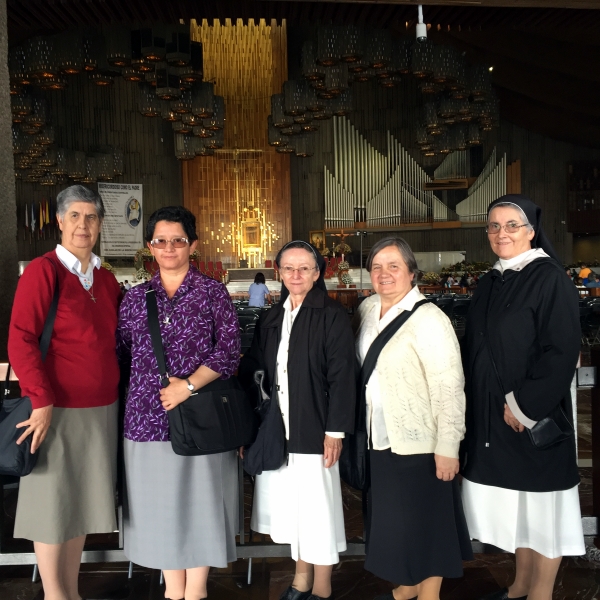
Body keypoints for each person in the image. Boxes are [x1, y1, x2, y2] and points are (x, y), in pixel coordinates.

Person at [461, 195, 584, 600]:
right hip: (493, 416)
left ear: (531, 231)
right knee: (521, 509)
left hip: (530, 416)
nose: (502, 233)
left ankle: (540, 594)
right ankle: (518, 587)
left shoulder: (549, 277)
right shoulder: (491, 279)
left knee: (543, 513)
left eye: (512, 225)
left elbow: (562, 350)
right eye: (494, 226)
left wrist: (524, 405)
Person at [117, 206, 240, 600]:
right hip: (146, 420)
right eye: (160, 240)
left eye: (178, 240)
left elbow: (229, 352)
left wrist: (187, 386)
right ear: (149, 247)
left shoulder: (211, 292)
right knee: (161, 510)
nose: (169, 247)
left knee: (202, 505)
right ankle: (174, 591)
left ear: (193, 245)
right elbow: (123, 352)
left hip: (200, 416)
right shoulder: (135, 298)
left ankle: (197, 590)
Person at [8, 184, 121, 600]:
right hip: (55, 410)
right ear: (58, 221)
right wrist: (40, 399)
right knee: (51, 508)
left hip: (101, 409)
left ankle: (70, 592)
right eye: (74, 215)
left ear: (99, 224)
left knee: (78, 509)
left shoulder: (106, 279)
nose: (83, 224)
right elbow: (20, 339)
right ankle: (55, 595)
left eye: (91, 216)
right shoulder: (43, 272)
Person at [354, 237, 472, 600]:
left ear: (411, 273)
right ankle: (408, 584)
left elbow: (449, 387)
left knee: (429, 519)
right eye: (377, 267)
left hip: (423, 439)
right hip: (380, 435)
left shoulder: (430, 319)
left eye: (393, 266)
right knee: (397, 521)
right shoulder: (367, 309)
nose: (384, 274)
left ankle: (428, 593)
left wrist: (448, 445)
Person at [239, 241, 356, 600]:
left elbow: (342, 376)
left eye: (304, 268)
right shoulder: (272, 318)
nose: (296, 275)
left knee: (317, 512)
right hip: (278, 428)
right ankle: (300, 577)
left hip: (314, 428)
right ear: (278, 273)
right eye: (289, 268)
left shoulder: (332, 315)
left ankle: (322, 586)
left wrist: (334, 431)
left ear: (317, 273)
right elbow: (255, 371)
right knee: (294, 511)